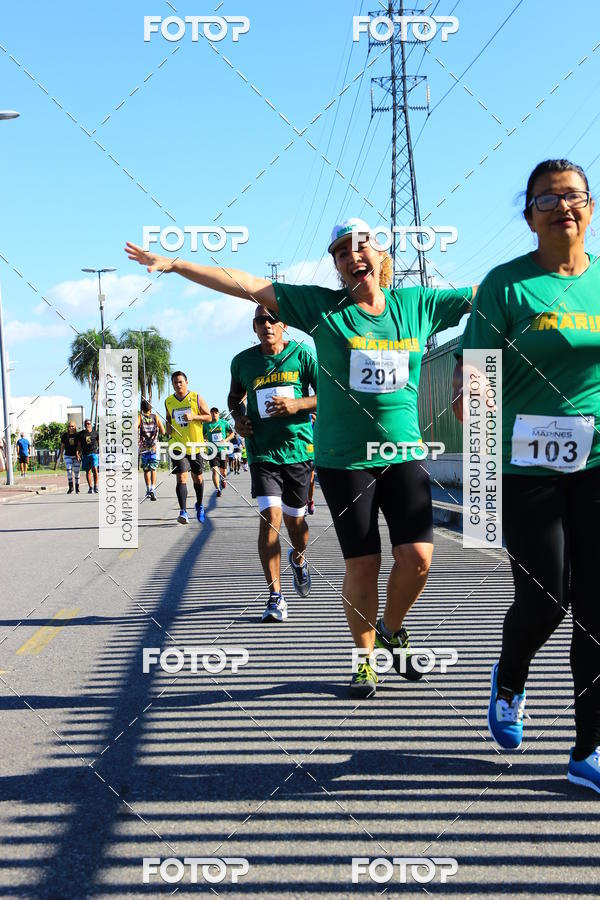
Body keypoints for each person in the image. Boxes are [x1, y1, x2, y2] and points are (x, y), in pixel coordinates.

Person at [125, 221, 474, 688]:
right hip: (344, 459)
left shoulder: (419, 304)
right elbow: (246, 284)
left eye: (360, 247)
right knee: (364, 562)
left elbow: (493, 298)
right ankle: (364, 658)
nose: (352, 257)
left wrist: (465, 365)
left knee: (418, 558)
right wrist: (176, 264)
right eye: (340, 253)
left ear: (380, 253)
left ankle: (391, 629)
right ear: (336, 266)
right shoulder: (323, 308)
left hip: (403, 452)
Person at [455, 159, 600, 793]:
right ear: (529, 214)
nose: (564, 208)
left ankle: (588, 749)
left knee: (597, 606)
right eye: (549, 199)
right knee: (547, 594)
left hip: (597, 462)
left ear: (590, 209)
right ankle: (509, 679)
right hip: (523, 464)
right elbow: (476, 371)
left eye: (575, 197)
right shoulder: (507, 286)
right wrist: (468, 396)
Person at [229, 306, 317, 622]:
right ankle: (275, 597)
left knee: (297, 526)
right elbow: (233, 397)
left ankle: (300, 558)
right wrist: (238, 419)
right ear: (254, 327)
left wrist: (298, 403)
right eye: (260, 321)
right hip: (262, 453)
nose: (266, 325)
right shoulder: (243, 362)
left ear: (283, 325)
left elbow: (327, 395)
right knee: (270, 518)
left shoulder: (302, 354)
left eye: (272, 319)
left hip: (298, 451)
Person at [165, 371, 212, 524]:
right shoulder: (169, 401)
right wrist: (169, 429)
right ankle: (183, 511)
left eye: (180, 382)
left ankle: (199, 504)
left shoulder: (196, 398)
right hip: (178, 445)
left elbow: (209, 417)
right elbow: (168, 418)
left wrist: (194, 417)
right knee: (182, 476)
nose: (178, 385)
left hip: (196, 445)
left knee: (197, 478)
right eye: (175, 383)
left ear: (186, 382)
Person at [138, 399, 166, 500]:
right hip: (154, 446)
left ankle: (148, 488)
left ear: (142, 408)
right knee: (153, 468)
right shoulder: (156, 417)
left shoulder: (140, 418)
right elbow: (163, 431)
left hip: (143, 447)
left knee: (146, 470)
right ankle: (153, 488)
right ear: (150, 408)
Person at [206, 407, 234, 497]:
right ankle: (218, 489)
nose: (214, 414)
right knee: (215, 470)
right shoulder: (206, 424)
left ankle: (223, 479)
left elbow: (232, 433)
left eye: (216, 412)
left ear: (218, 414)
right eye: (212, 412)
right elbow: (201, 434)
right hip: (212, 451)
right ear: (210, 414)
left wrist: (226, 440)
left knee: (224, 472)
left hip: (223, 450)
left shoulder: (224, 423)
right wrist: (204, 441)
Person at [57, 421, 81, 494]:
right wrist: (61, 456)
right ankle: (71, 487)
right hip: (67, 455)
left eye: (72, 426)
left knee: (76, 472)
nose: (71, 428)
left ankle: (77, 487)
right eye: (69, 426)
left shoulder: (78, 435)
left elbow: (80, 446)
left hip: (76, 456)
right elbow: (62, 446)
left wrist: (79, 454)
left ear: (75, 427)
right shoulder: (65, 435)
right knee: (69, 471)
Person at [79, 419, 100, 494]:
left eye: (88, 424)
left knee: (95, 469)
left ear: (91, 424)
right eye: (86, 424)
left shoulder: (95, 433)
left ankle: (96, 486)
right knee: (88, 471)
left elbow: (99, 442)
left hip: (94, 453)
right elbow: (79, 445)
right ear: (84, 425)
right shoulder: (81, 434)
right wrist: (78, 453)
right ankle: (90, 487)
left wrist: (102, 452)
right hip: (85, 454)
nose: (87, 425)